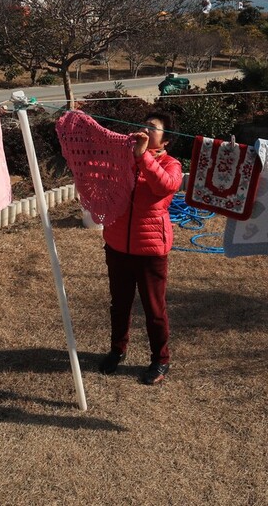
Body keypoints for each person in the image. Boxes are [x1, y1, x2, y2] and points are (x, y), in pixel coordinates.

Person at [98, 112, 183, 385]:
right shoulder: (124, 160)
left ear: (166, 140)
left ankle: (160, 360)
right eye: (142, 125)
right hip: (117, 244)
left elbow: (164, 187)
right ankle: (117, 350)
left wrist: (143, 157)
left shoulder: (171, 164)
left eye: (152, 128)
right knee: (119, 304)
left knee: (154, 309)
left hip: (150, 249)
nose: (144, 130)